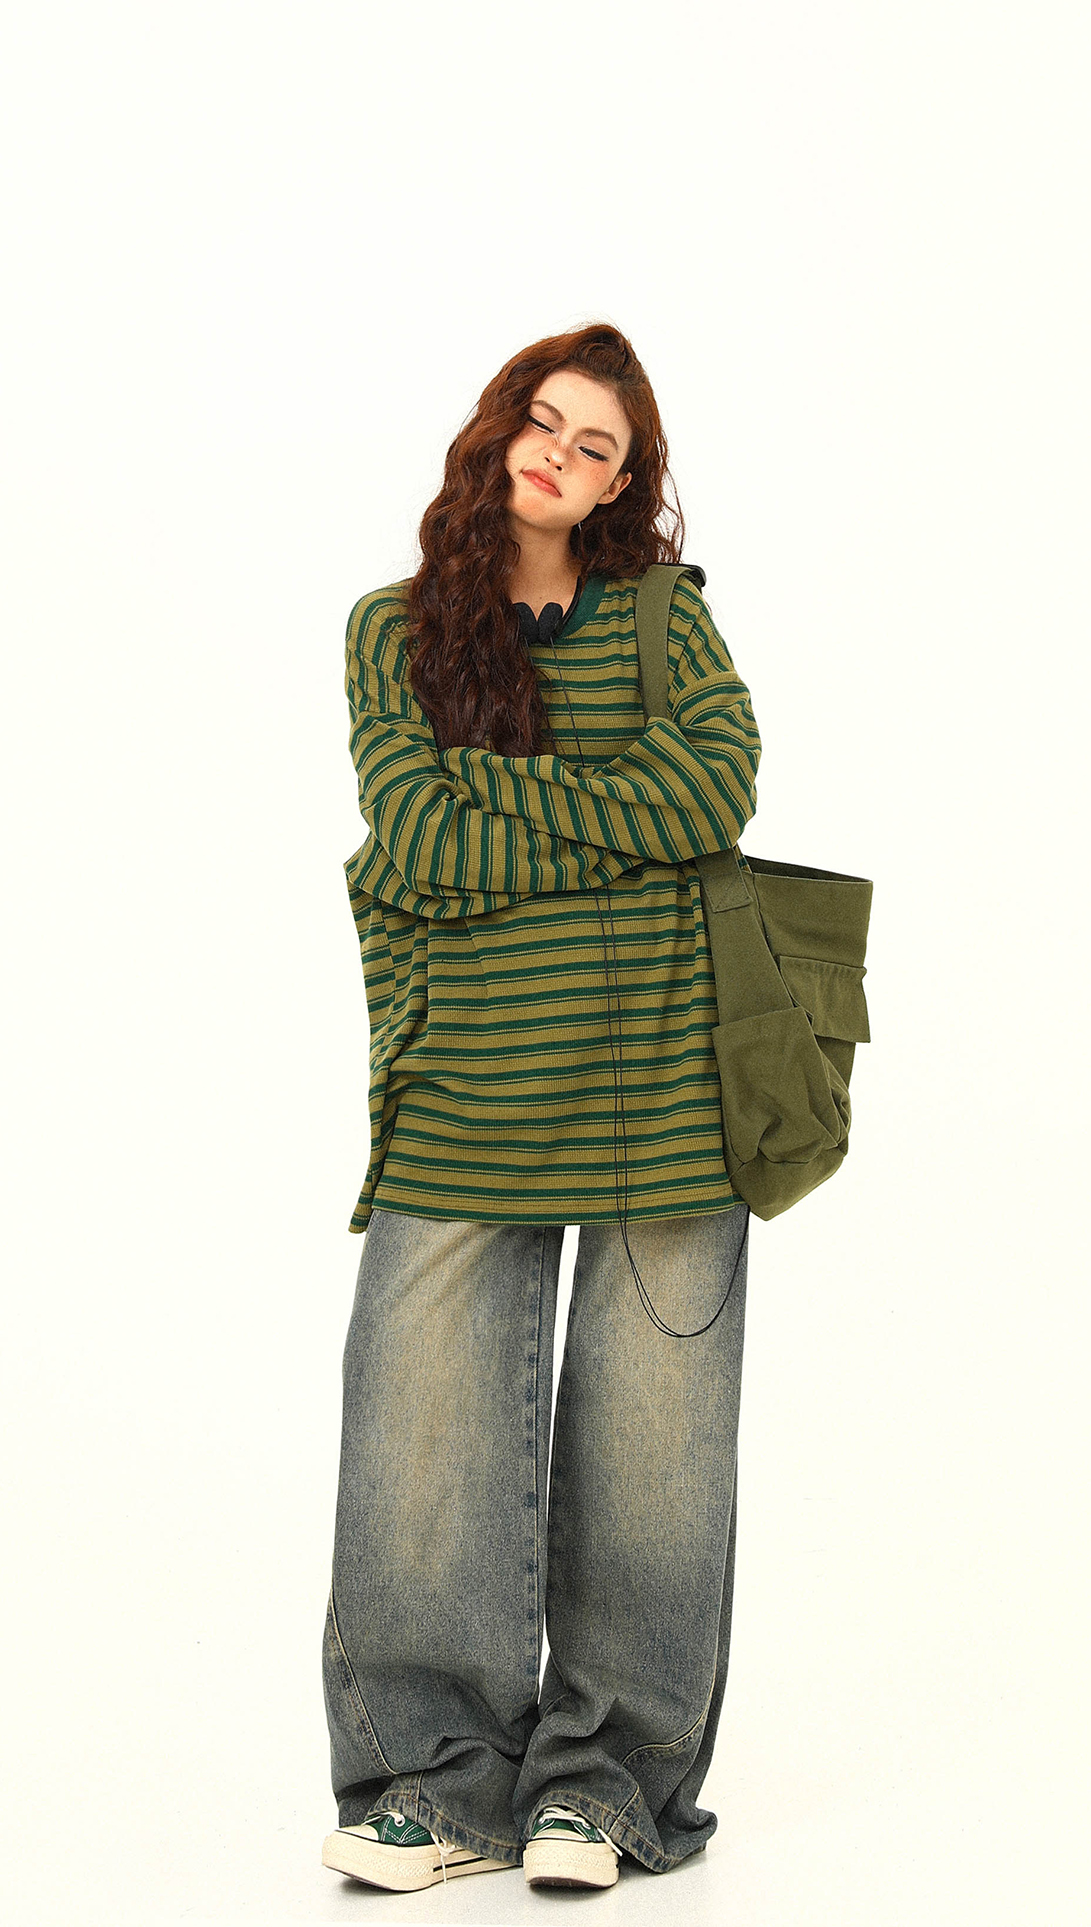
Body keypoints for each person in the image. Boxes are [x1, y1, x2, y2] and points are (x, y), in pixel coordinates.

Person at [320, 322, 763, 1895]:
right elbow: (415, 837)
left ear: (625, 483)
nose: (560, 457)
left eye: (598, 446)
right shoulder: (394, 631)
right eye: (546, 422)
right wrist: (615, 831)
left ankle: (608, 1788)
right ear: (497, 424)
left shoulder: (662, 622)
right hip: (465, 1086)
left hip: (669, 1090)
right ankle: (438, 1788)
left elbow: (714, 794)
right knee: (422, 1443)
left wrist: (496, 797)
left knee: (655, 1460)